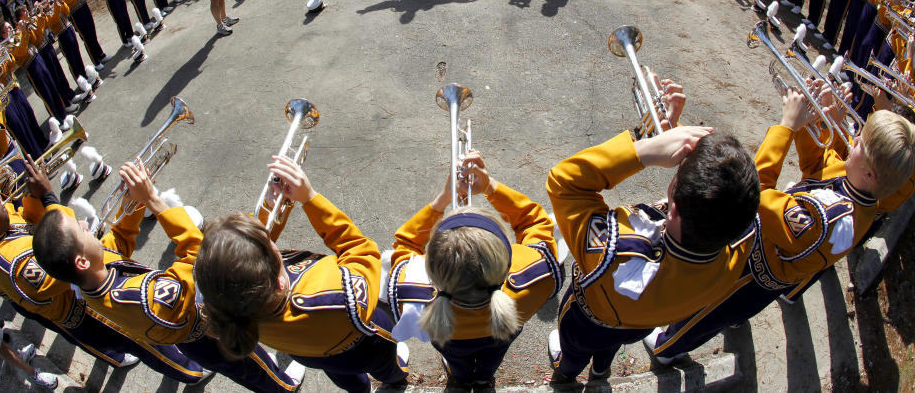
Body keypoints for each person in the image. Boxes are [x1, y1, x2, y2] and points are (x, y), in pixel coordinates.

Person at [644, 90, 915, 363]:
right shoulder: (861, 188)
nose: (853, 141)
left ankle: (667, 347)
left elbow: (756, 192)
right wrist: (808, 123)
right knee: (728, 313)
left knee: (707, 314)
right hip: (765, 253)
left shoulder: (828, 217)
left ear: (869, 173)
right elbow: (817, 164)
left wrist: (786, 126)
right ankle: (730, 320)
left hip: (754, 274)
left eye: (860, 144)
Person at [32, 162, 306, 392]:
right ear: (81, 261)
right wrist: (153, 199)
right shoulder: (137, 298)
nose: (84, 223)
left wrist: (133, 202)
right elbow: (197, 254)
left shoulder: (92, 277)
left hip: (193, 327)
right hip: (206, 336)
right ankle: (284, 385)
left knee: (249, 362)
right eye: (80, 230)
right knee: (253, 371)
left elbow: (120, 239)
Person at [546, 123, 761, 383]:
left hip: (589, 321)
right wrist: (665, 125)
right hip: (639, 325)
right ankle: (601, 370)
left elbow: (564, 182)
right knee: (611, 347)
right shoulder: (742, 237)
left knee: (574, 351)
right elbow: (718, 195)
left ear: (673, 210)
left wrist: (644, 148)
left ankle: (567, 372)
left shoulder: (618, 250)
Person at [0, 163, 209, 382]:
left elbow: (32, 223)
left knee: (144, 331)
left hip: (88, 282)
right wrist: (50, 199)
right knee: (147, 344)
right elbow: (61, 260)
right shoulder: (9, 263)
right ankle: (190, 372)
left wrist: (33, 196)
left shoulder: (0, 225)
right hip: (86, 312)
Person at [193, 156, 409, 393]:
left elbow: (248, 256)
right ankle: (396, 379)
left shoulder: (231, 309)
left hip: (313, 353)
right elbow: (361, 250)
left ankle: (360, 389)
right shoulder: (339, 296)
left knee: (344, 376)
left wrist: (271, 211)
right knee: (387, 365)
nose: (271, 241)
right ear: (278, 281)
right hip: (367, 346)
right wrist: (310, 198)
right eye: (270, 246)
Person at [385, 151, 561, 389]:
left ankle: (461, 377)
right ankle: (484, 378)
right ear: (507, 259)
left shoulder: (412, 289)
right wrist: (490, 187)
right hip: (502, 330)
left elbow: (405, 244)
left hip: (447, 337)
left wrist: (443, 200)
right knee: (493, 356)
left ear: (431, 269)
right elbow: (535, 222)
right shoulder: (534, 274)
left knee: (456, 360)